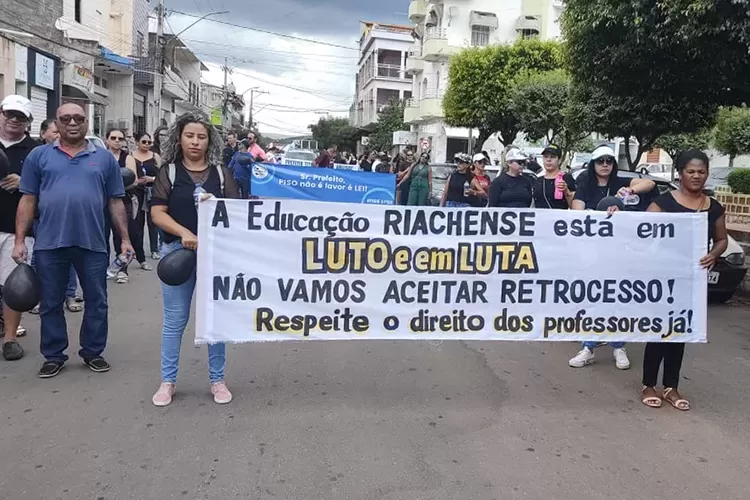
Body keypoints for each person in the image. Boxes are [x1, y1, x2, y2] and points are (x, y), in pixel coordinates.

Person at [15, 103, 133, 378]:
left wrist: (125, 239)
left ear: (86, 123)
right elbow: (28, 199)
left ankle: (92, 352)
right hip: (49, 243)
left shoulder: (104, 159)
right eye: (65, 118)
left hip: (92, 242)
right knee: (51, 302)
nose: (72, 123)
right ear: (56, 123)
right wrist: (20, 240)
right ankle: (54, 356)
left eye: (78, 118)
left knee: (97, 300)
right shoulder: (39, 156)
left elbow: (116, 202)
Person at [150, 112, 240, 407]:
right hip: (177, 253)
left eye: (201, 137)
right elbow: (157, 212)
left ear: (209, 141)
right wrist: (184, 232)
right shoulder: (169, 173)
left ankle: (217, 380)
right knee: (175, 320)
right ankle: (167, 381)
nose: (195, 142)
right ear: (179, 138)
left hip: (215, 256)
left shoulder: (221, 174)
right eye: (190, 136)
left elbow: (236, 212)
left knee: (214, 319)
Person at [640, 149, 727, 411]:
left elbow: (722, 240)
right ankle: (648, 384)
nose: (696, 176)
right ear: (680, 174)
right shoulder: (663, 204)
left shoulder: (714, 208)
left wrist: (713, 254)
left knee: (680, 332)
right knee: (659, 331)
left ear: (707, 174)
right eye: (691, 171)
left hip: (691, 280)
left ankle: (671, 386)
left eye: (701, 172)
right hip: (662, 278)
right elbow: (639, 232)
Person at [568, 145, 655, 370]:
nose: (605, 164)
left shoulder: (620, 184)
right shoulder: (585, 186)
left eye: (609, 160)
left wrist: (630, 192)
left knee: (617, 299)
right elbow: (576, 212)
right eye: (600, 161)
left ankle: (618, 346)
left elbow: (650, 183)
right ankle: (588, 347)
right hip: (593, 252)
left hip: (619, 252)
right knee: (594, 298)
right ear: (593, 164)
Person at [30, 118, 82, 316]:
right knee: (40, 260)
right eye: (53, 132)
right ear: (43, 134)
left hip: (70, 219)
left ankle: (70, 294)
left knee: (69, 256)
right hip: (42, 220)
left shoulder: (72, 157)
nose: (58, 135)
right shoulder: (36, 156)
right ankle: (40, 296)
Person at [0, 95, 38, 360]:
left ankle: (10, 338)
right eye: (10, 114)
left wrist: (25, 182)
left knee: (13, 286)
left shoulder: (36, 152)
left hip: (18, 231)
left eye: (20, 117)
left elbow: (49, 188)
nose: (14, 120)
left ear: (28, 122)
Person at [105, 128, 148, 283]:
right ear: (107, 139)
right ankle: (102, 269)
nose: (117, 141)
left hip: (124, 200)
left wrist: (116, 185)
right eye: (114, 138)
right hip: (102, 201)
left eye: (120, 138)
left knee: (121, 235)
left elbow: (134, 180)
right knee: (102, 237)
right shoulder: (101, 156)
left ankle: (123, 270)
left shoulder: (128, 158)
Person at [127, 132, 161, 260]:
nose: (147, 144)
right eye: (144, 142)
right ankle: (137, 250)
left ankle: (154, 249)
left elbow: (163, 175)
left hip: (153, 192)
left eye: (149, 142)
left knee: (153, 222)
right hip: (137, 192)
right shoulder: (130, 157)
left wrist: (152, 179)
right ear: (137, 142)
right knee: (137, 222)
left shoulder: (155, 156)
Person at [533, 144, 576, 209]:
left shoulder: (566, 178)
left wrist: (566, 191)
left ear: (559, 160)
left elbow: (575, 208)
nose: (548, 160)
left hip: (560, 218)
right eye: (546, 156)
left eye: (552, 157)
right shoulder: (538, 180)